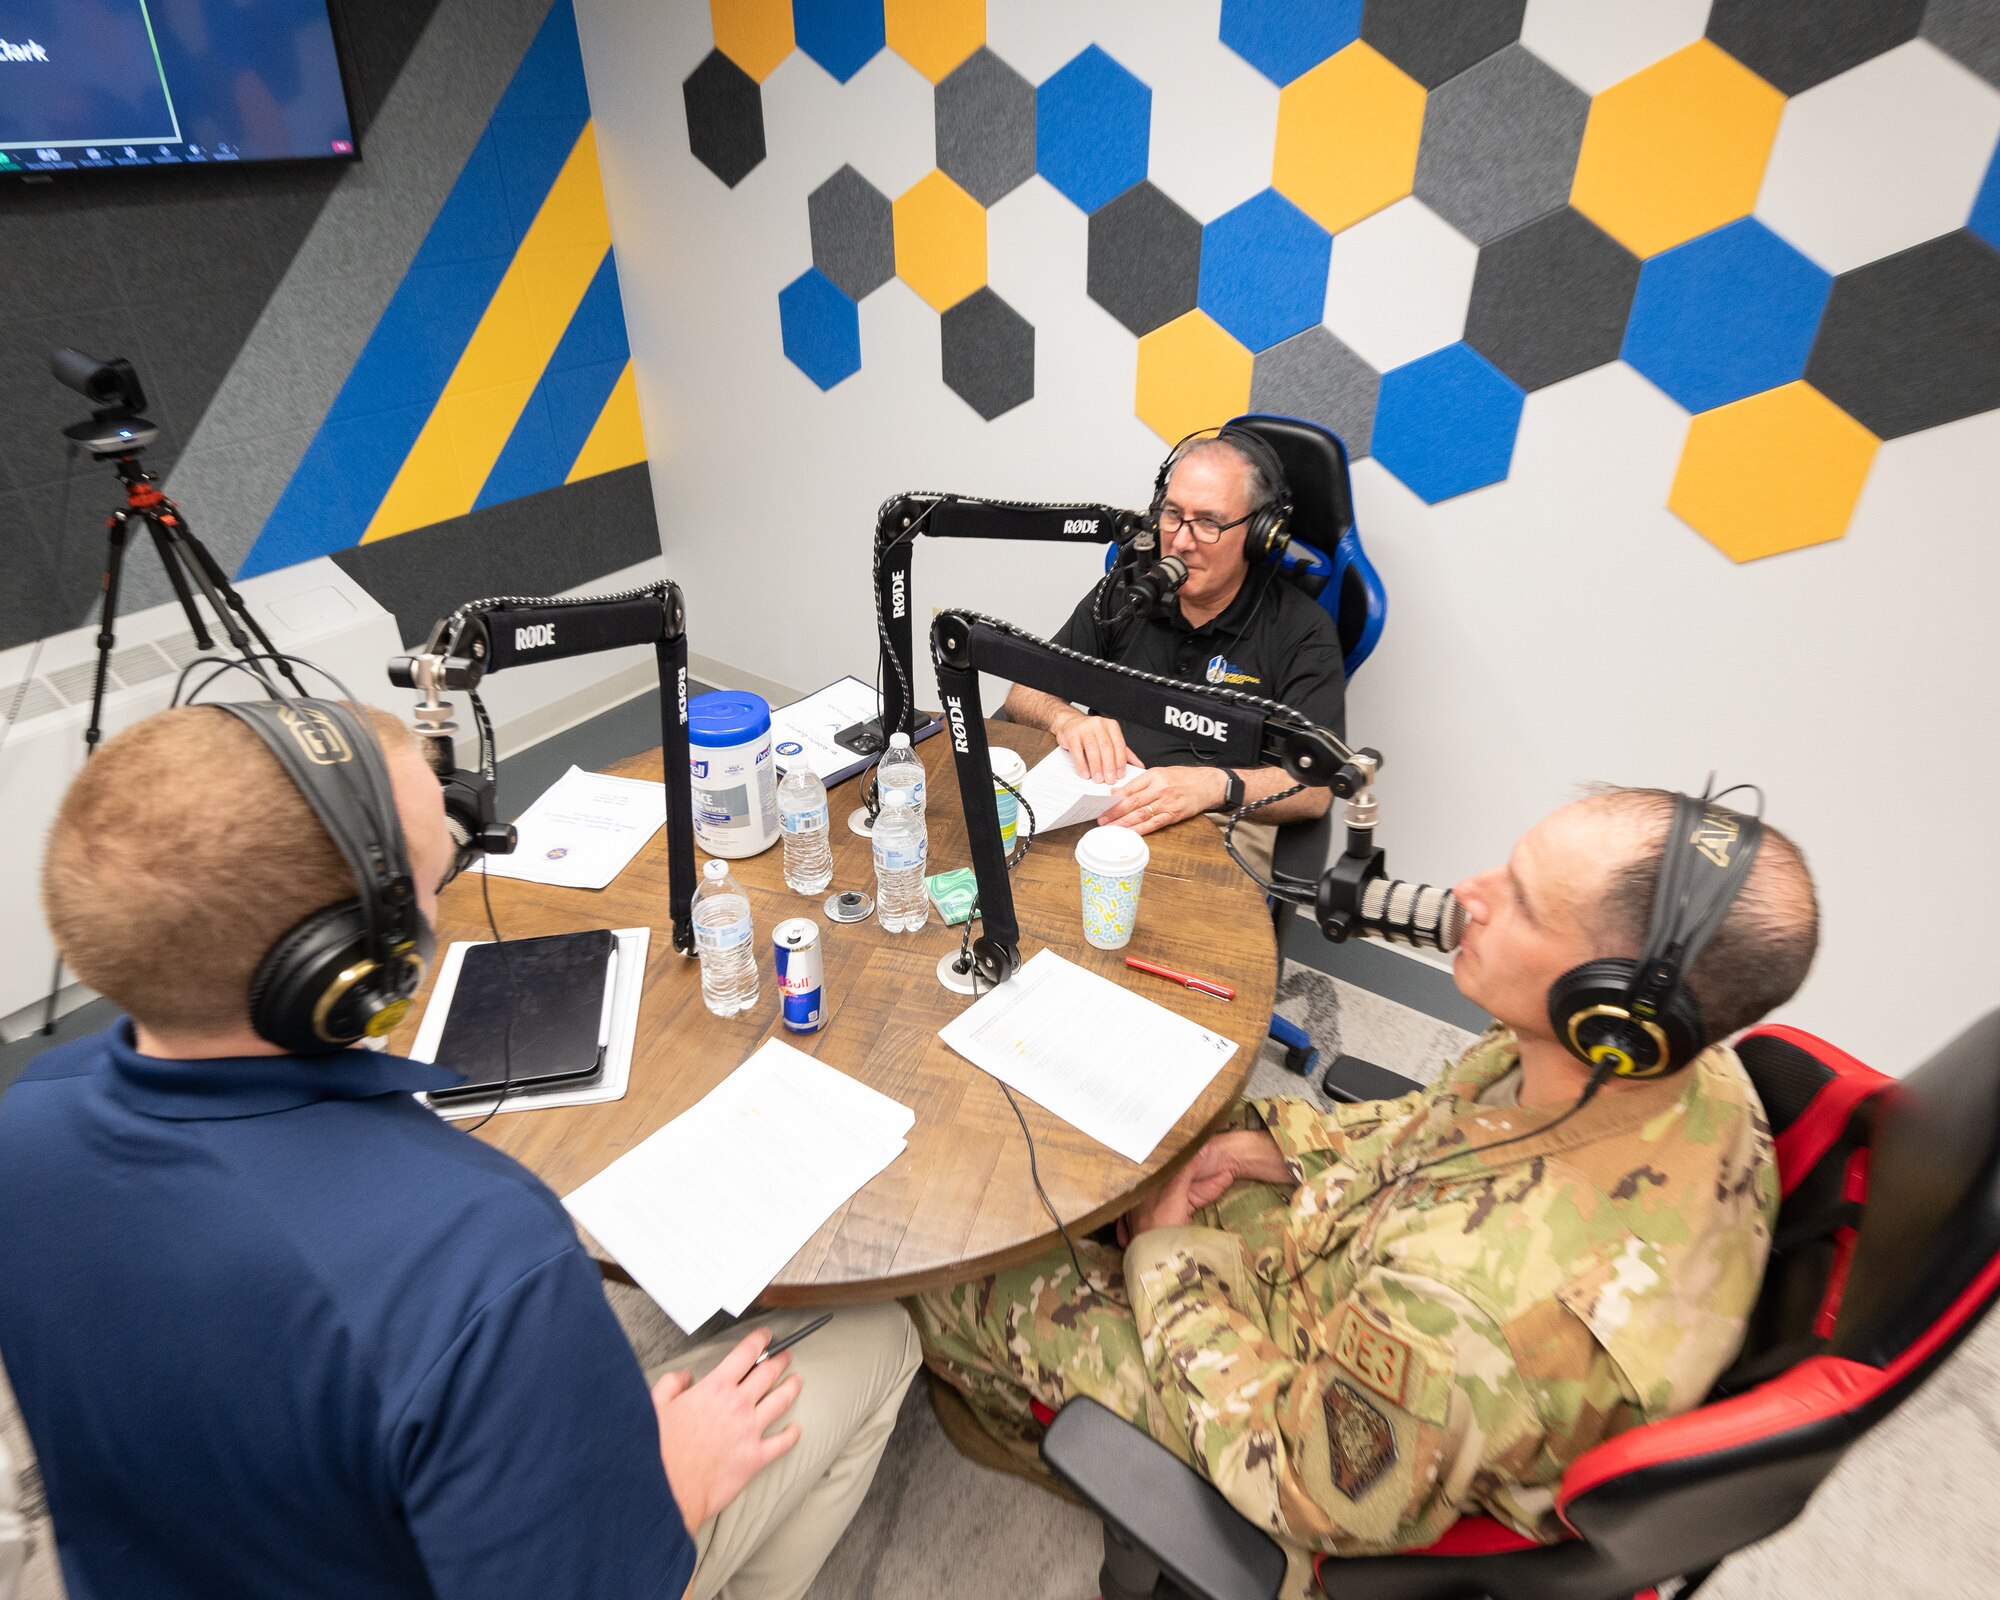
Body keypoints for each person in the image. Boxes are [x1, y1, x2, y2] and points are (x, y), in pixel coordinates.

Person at [0, 702, 918, 1600]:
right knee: (877, 1336)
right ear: (346, 969)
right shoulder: (479, 1251)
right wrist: (667, 1484)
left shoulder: (25, 1125)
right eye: (431, 878)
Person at [911, 788, 1818, 1589]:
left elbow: (1313, 1489)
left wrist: (1163, 1253)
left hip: (1307, 1443)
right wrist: (1269, 1148)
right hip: (1359, 1270)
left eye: (1526, 905)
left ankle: (1024, 1428)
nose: (1472, 891)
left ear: (1611, 1003)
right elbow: (1436, 1128)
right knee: (1152, 1117)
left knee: (967, 1268)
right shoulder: (1657, 1070)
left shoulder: (1471, 1303)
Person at [1003, 428, 1346, 874]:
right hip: (1097, 809)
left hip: (1215, 824)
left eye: (1208, 522)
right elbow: (1022, 692)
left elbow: (1316, 789)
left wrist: (1213, 785)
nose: (1182, 541)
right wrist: (1067, 720)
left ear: (1259, 534)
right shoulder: (1126, 590)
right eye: (1172, 515)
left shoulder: (1303, 632)